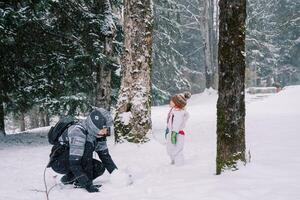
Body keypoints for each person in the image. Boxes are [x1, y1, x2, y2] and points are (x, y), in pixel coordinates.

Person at [48, 108, 118, 193]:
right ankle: (82, 181)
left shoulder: (99, 135)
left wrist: (118, 175)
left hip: (76, 160)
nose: (105, 132)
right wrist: (88, 185)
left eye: (107, 129)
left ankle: (69, 179)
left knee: (99, 167)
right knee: (87, 148)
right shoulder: (78, 131)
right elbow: (75, 163)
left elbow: (105, 156)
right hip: (59, 161)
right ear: (95, 126)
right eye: (104, 128)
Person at [165, 92, 191, 165]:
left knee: (177, 150)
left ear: (176, 104)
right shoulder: (174, 111)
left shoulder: (178, 113)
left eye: (172, 101)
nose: (170, 102)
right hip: (173, 132)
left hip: (177, 133)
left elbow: (177, 123)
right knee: (171, 149)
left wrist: (174, 133)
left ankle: (179, 166)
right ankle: (174, 162)